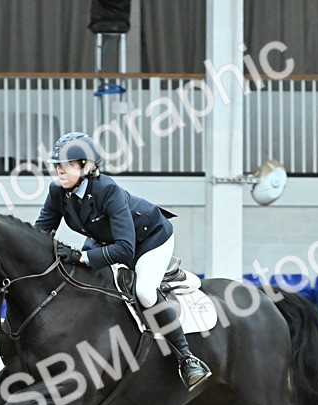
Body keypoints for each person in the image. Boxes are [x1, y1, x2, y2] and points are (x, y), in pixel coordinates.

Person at [34, 132, 211, 390]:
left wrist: (83, 256)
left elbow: (125, 249)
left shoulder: (108, 191)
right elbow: (40, 232)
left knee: (144, 291)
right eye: (57, 165)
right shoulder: (58, 192)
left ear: (86, 166)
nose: (59, 171)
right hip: (107, 240)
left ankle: (187, 359)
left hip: (150, 240)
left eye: (67, 165)